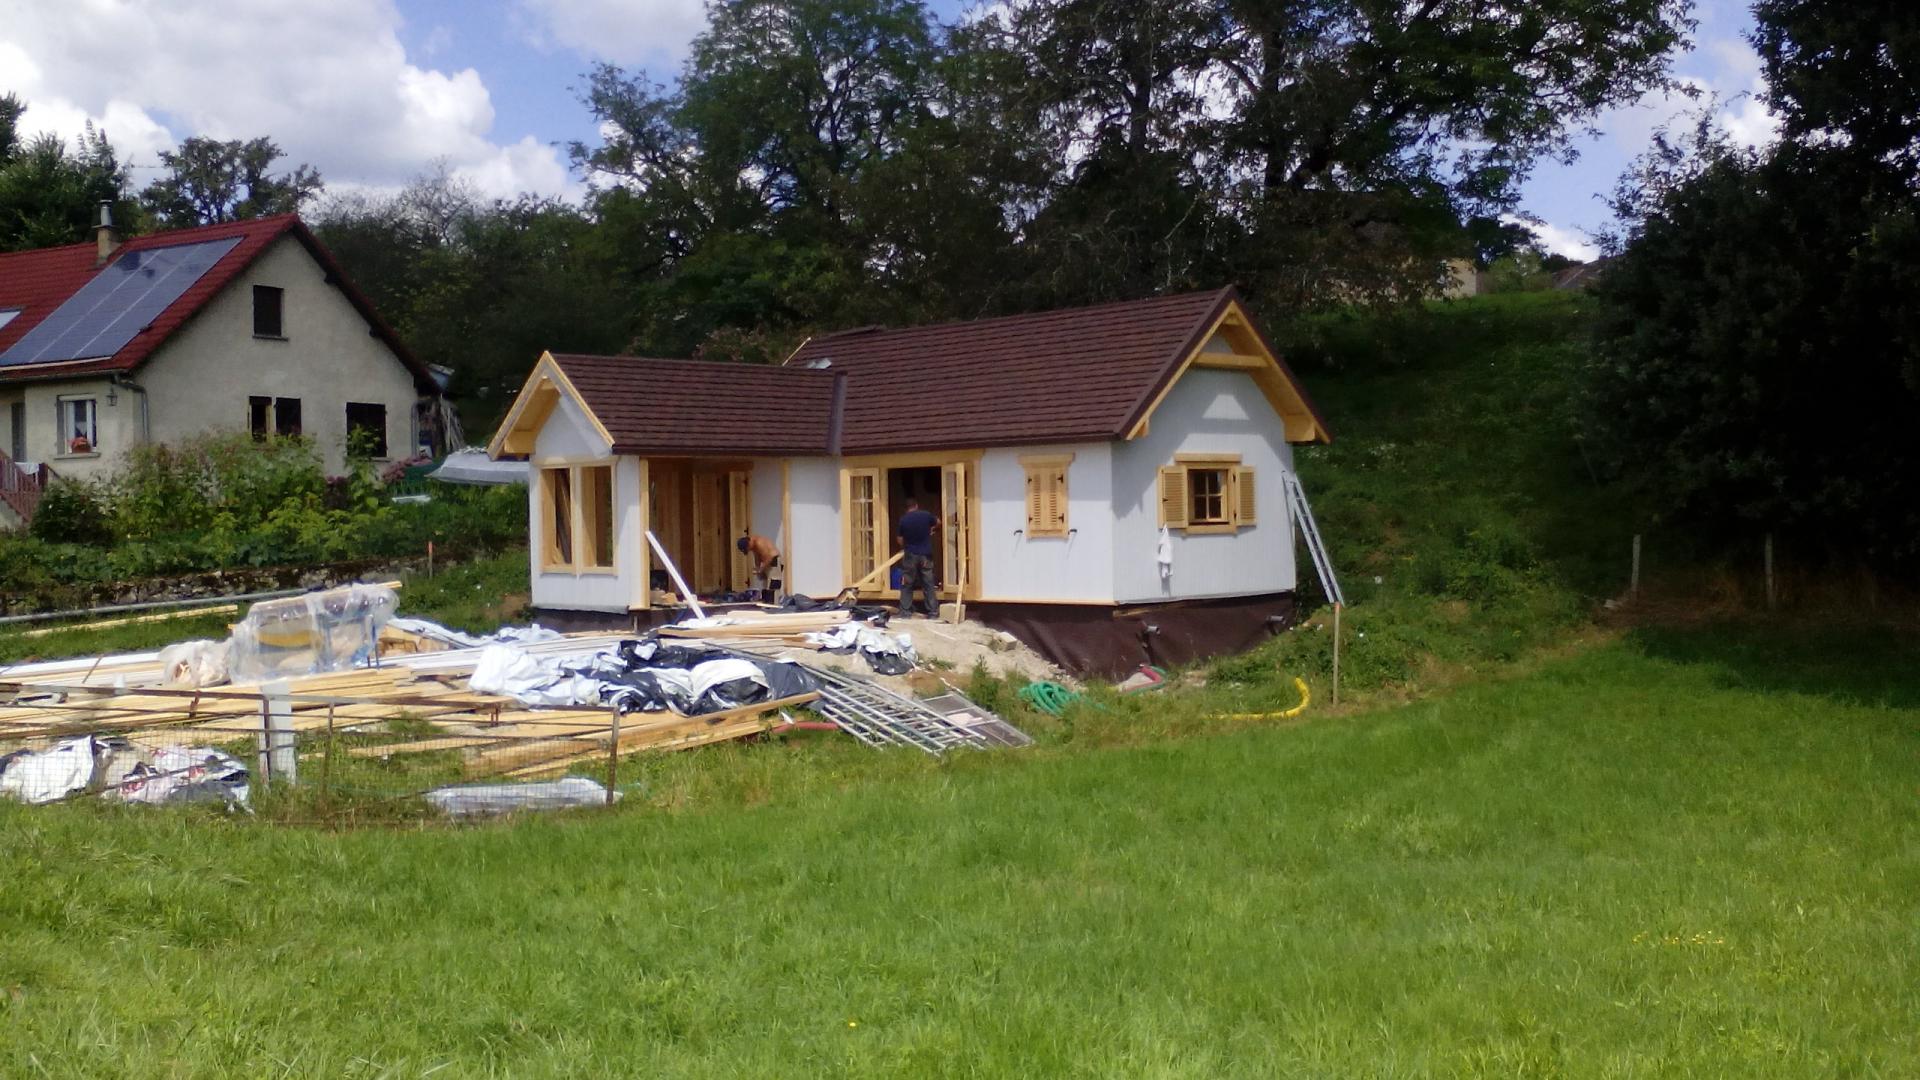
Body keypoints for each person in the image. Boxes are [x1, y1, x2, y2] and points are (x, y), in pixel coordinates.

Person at [895, 498, 939, 618]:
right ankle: (933, 612)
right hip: (925, 555)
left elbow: (899, 539)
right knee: (928, 583)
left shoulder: (903, 520)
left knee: (907, 583)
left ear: (906, 508)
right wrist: (932, 529)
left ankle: (905, 612)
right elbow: (938, 522)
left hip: (910, 555)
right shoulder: (926, 515)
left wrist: (905, 545)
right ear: (916, 505)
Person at [736, 534, 781, 600]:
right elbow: (757, 558)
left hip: (774, 561)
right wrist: (758, 569)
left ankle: (774, 603)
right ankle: (767, 602)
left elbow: (769, 557)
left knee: (773, 584)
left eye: (748, 549)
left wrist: (761, 569)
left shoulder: (759, 543)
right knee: (765, 585)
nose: (749, 550)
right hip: (767, 563)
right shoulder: (754, 546)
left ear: (749, 543)